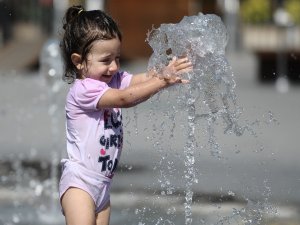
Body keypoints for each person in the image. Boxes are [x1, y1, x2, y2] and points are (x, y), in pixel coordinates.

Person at [59, 5, 192, 225]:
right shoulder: (83, 90)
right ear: (78, 61)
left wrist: (168, 71)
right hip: (80, 184)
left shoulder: (112, 79)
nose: (113, 67)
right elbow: (124, 98)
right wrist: (162, 81)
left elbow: (143, 79)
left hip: (102, 185)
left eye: (117, 58)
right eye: (105, 60)